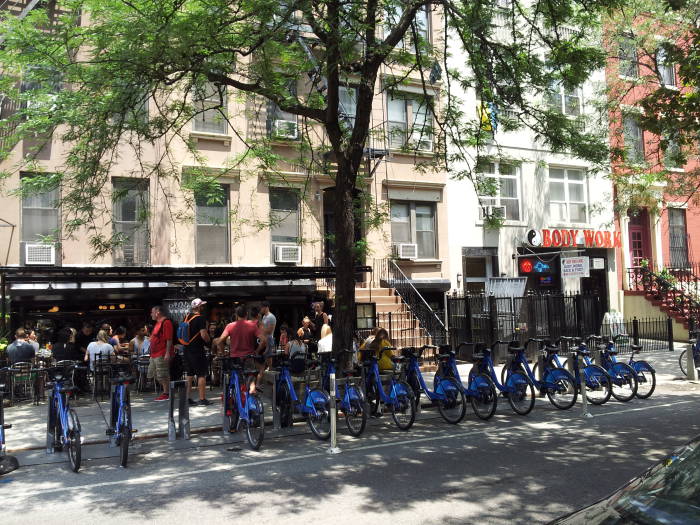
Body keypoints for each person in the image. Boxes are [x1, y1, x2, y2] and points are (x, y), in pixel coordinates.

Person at [214, 305, 261, 394]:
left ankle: (239, 398)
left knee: (237, 380)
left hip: (235, 358)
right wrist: (257, 351)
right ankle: (252, 388)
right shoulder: (252, 325)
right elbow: (264, 340)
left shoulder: (230, 326)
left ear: (236, 315)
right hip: (249, 356)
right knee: (250, 375)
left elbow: (220, 341)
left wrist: (223, 352)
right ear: (246, 314)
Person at [183, 298, 211, 406]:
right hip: (197, 350)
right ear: (198, 307)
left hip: (187, 349)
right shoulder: (200, 318)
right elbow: (204, 335)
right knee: (201, 374)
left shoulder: (186, 317)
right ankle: (202, 399)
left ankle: (187, 398)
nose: (203, 307)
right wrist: (209, 341)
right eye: (202, 306)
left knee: (189, 374)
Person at [149, 305, 174, 401]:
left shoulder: (166, 322)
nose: (151, 314)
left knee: (162, 373)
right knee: (156, 374)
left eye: (152, 312)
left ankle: (166, 393)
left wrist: (167, 353)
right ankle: (166, 391)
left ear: (157, 312)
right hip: (155, 353)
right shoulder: (158, 323)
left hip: (162, 352)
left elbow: (169, 339)